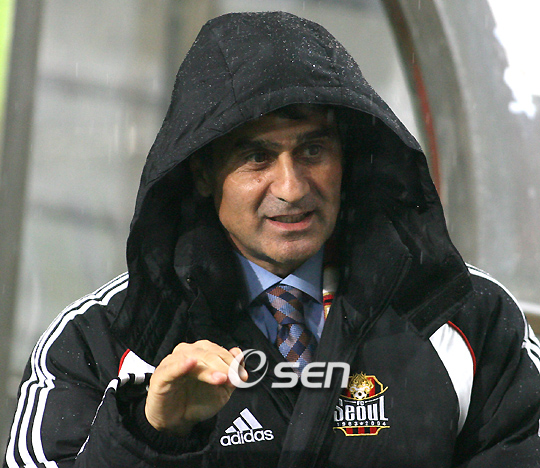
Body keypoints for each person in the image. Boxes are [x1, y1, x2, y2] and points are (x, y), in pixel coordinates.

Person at [4, 11, 540, 468]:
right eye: (257, 156)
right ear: (202, 173)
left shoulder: (469, 317)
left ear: (348, 158)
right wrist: (150, 432)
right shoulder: (98, 341)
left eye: (313, 151)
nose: (291, 187)